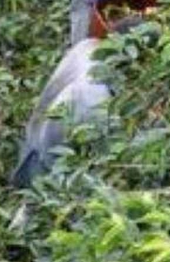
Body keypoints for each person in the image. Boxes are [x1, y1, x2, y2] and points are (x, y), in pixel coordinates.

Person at [12, 37, 114, 187]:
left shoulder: (89, 45)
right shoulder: (93, 96)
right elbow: (57, 151)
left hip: (39, 133)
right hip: (49, 157)